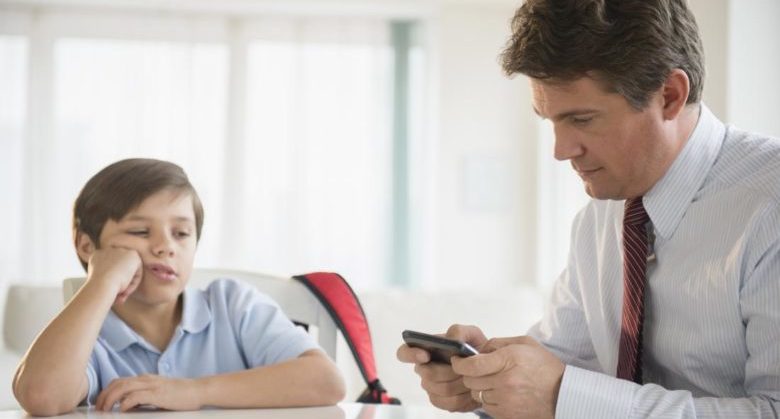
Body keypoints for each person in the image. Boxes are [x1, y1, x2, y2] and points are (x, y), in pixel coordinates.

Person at [397, 0, 780, 418]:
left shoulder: (769, 208)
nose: (561, 151)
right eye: (551, 121)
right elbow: (561, 366)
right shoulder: (599, 220)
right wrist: (489, 381)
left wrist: (563, 396)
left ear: (669, 96)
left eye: (582, 119)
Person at [13, 158, 345, 415]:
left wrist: (192, 392)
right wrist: (101, 280)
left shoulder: (232, 305)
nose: (165, 247)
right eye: (141, 233)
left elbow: (327, 382)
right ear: (88, 246)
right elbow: (41, 395)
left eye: (181, 233)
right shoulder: (87, 337)